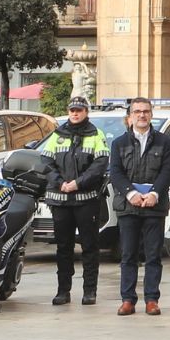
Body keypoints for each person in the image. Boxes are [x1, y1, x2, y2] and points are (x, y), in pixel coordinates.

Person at [109, 97, 170, 316]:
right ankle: (127, 299)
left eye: (145, 111)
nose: (142, 115)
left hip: (154, 206)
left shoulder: (164, 142)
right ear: (130, 116)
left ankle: (151, 299)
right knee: (128, 255)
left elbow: (167, 171)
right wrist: (131, 193)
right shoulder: (119, 143)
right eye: (137, 111)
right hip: (129, 206)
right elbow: (116, 173)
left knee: (153, 255)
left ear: (151, 115)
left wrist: (155, 193)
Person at [42, 96, 109, 306]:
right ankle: (63, 291)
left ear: (86, 112)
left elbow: (100, 165)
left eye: (79, 110)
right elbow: (45, 161)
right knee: (63, 247)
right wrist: (60, 182)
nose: (75, 113)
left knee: (89, 246)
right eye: (72, 110)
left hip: (86, 200)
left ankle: (90, 291)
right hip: (60, 200)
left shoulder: (96, 135)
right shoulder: (57, 135)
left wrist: (78, 183)